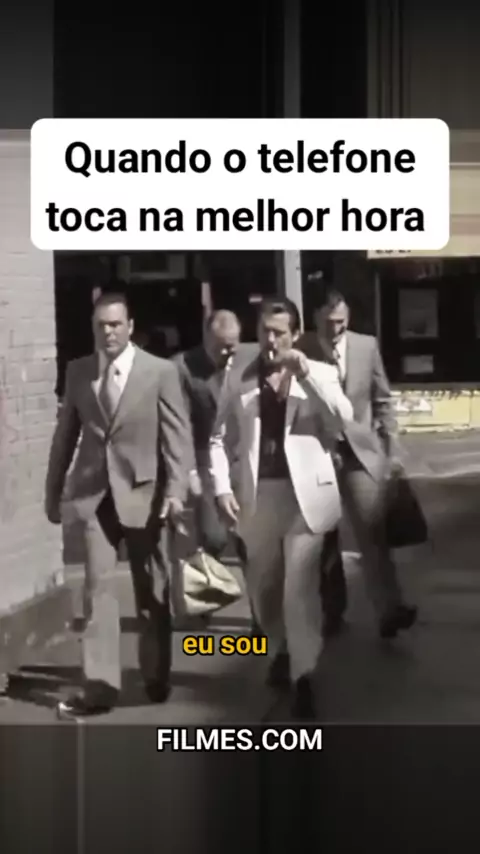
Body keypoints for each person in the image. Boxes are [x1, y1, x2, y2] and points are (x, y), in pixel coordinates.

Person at [44, 292, 192, 718]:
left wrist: (176, 491)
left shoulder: (159, 372)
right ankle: (100, 688)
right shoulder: (79, 371)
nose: (108, 332)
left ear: (130, 326)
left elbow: (177, 437)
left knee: (151, 591)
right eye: (101, 325)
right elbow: (64, 437)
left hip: (146, 495)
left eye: (115, 324)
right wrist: (53, 492)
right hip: (96, 495)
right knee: (97, 591)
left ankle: (156, 674)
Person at [209, 298, 353, 719]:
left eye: (280, 333)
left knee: (299, 589)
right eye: (265, 332)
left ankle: (304, 674)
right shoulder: (239, 377)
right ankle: (282, 648)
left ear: (296, 334)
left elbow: (341, 420)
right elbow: (218, 438)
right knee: (265, 590)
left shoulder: (321, 372)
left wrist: (305, 376)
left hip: (307, 496)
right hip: (258, 496)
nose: (271, 340)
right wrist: (221, 488)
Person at [311, 285, 417, 639]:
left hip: (360, 452)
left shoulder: (366, 346)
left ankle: (390, 609)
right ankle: (331, 611)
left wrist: (392, 449)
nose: (335, 329)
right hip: (318, 455)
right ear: (316, 319)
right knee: (323, 539)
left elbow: (382, 399)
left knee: (373, 531)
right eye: (329, 322)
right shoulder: (302, 349)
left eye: (341, 322)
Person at [173, 310, 259, 562]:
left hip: (245, 454)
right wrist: (189, 472)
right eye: (218, 346)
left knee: (253, 539)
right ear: (205, 338)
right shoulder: (181, 368)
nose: (225, 352)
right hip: (205, 459)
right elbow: (180, 424)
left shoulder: (253, 358)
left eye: (231, 346)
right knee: (214, 536)